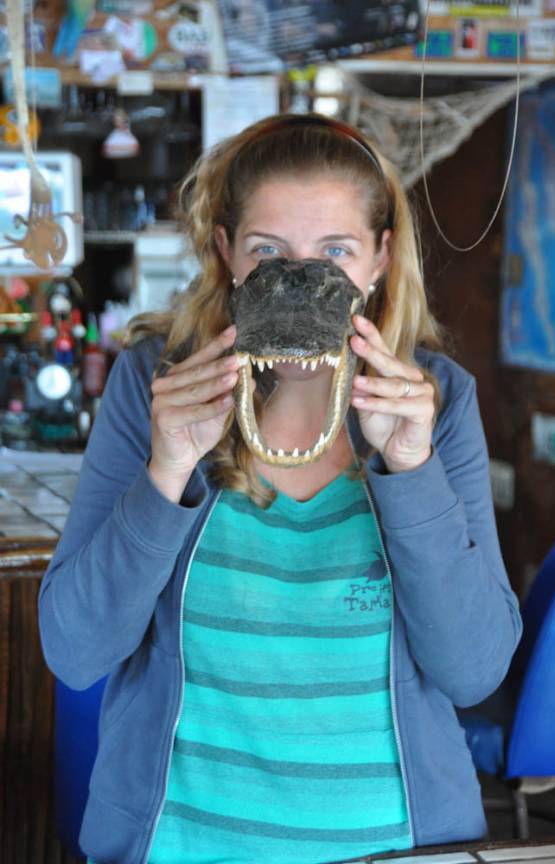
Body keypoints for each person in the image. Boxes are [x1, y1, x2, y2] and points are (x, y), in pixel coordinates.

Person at [39, 113, 522, 864]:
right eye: (270, 252)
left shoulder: (439, 404)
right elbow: (74, 651)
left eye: (335, 251)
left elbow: (474, 670)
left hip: (394, 849)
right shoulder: (152, 388)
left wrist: (413, 472)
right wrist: (165, 471)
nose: (301, 280)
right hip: (179, 846)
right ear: (228, 252)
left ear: (379, 261)